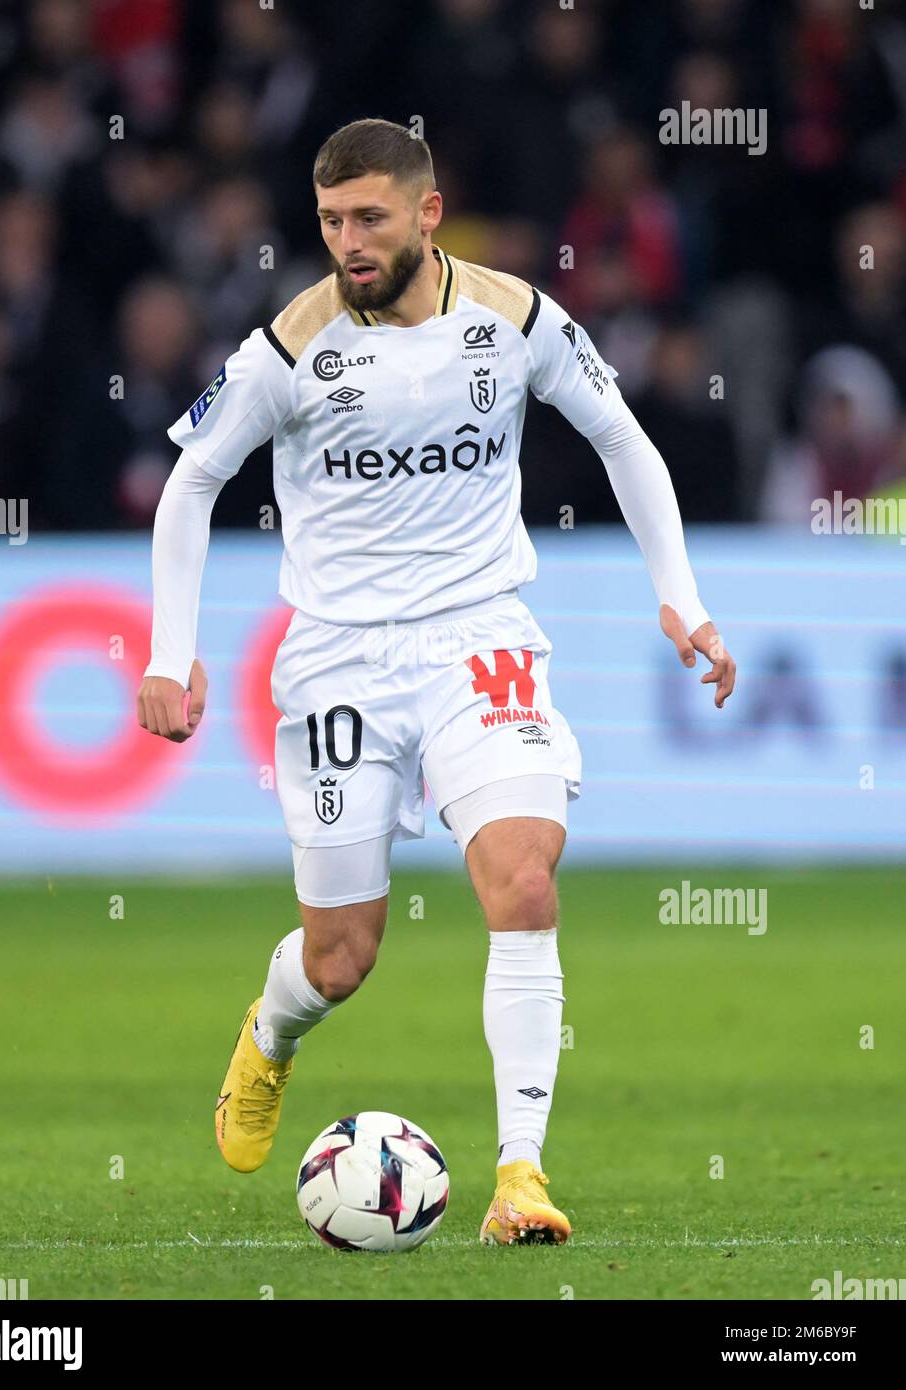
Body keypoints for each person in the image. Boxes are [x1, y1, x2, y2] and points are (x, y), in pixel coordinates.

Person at [137, 118, 736, 1247]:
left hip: (479, 640)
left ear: (426, 211)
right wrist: (172, 653)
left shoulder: (511, 318)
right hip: (337, 663)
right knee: (342, 956)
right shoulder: (291, 345)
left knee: (524, 884)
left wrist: (683, 597)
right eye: (328, 221)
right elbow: (191, 483)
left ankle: (522, 1175)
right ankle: (270, 1033)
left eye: (367, 218)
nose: (346, 242)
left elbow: (624, 438)